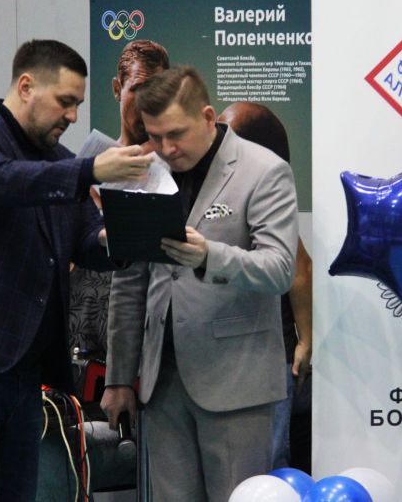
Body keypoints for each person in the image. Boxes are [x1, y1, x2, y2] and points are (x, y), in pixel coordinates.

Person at [0, 39, 152, 501]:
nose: (72, 116)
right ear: (26, 86)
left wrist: (132, 237)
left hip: (25, 375)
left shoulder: (61, 163)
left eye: (78, 105)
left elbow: (87, 238)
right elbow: (0, 180)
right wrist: (91, 170)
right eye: (65, 101)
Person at [101, 67, 298, 501]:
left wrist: (211, 256)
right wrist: (119, 378)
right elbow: (129, 283)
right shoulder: (145, 171)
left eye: (176, 134)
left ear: (208, 117)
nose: (166, 149)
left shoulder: (265, 171)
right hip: (161, 384)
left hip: (236, 382)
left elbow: (280, 268)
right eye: (155, 136)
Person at [217, 101, 313, 470]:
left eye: (226, 131)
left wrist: (305, 341)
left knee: (267, 466)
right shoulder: (228, 194)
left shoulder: (265, 195)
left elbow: (300, 268)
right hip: (230, 355)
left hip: (270, 357)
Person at [70, 39, 170, 362]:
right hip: (86, 333)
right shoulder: (86, 168)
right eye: (138, 89)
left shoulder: (181, 170)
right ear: (117, 88)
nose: (147, 102)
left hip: (153, 336)